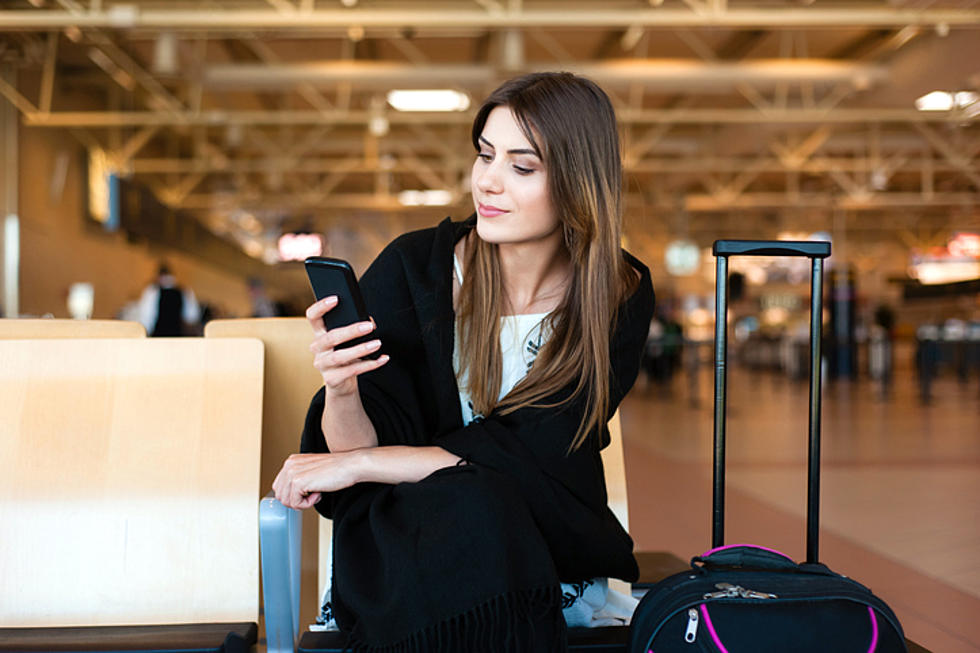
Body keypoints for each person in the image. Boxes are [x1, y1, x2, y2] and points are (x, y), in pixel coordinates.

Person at [273, 72, 655, 652]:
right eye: (484, 155)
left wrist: (367, 464)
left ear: (578, 183)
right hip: (414, 551)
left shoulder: (615, 291)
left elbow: (533, 454)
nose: (488, 182)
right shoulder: (413, 270)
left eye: (521, 167)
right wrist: (343, 392)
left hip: (545, 552)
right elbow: (352, 463)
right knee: (462, 499)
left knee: (478, 495)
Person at [137, 263, 201, 336]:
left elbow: (146, 316)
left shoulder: (151, 291)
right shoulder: (184, 291)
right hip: (177, 335)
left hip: (158, 335)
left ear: (158, 276)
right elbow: (192, 316)